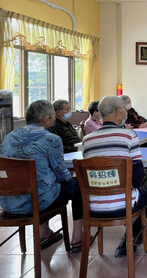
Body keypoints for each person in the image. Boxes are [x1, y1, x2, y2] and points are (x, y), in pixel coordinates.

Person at [0, 100, 83, 252]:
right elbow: (63, 175)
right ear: (46, 118)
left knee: (44, 183)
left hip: (8, 203)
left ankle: (45, 233)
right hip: (37, 202)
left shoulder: (8, 138)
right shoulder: (51, 139)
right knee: (78, 185)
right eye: (52, 115)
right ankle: (77, 239)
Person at [82, 95, 147, 257]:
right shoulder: (128, 136)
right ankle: (130, 238)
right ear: (120, 111)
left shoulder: (87, 140)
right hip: (123, 204)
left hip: (92, 205)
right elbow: (138, 174)